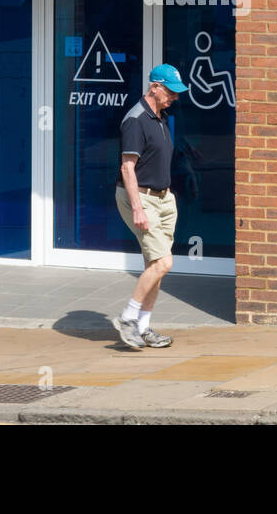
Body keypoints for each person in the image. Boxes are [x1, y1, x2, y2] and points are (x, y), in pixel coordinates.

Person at [112, 63, 187, 350]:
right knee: (162, 262)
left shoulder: (160, 116)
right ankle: (128, 318)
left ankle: (143, 327)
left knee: (154, 266)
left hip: (163, 198)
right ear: (154, 87)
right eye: (170, 91)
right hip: (140, 197)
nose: (174, 97)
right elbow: (128, 168)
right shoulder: (135, 119)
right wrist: (138, 208)